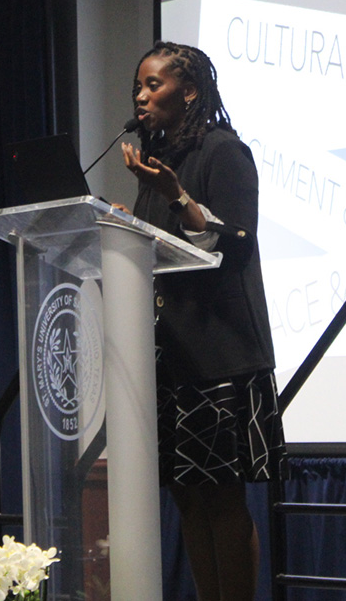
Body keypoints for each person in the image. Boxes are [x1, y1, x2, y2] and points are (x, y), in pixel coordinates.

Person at [117, 41, 284, 601]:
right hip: (170, 357)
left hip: (221, 356)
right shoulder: (156, 163)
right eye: (138, 87)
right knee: (188, 495)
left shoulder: (223, 151)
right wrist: (120, 225)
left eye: (153, 85)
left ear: (189, 91)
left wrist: (179, 197)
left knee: (220, 496)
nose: (141, 96)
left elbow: (237, 244)